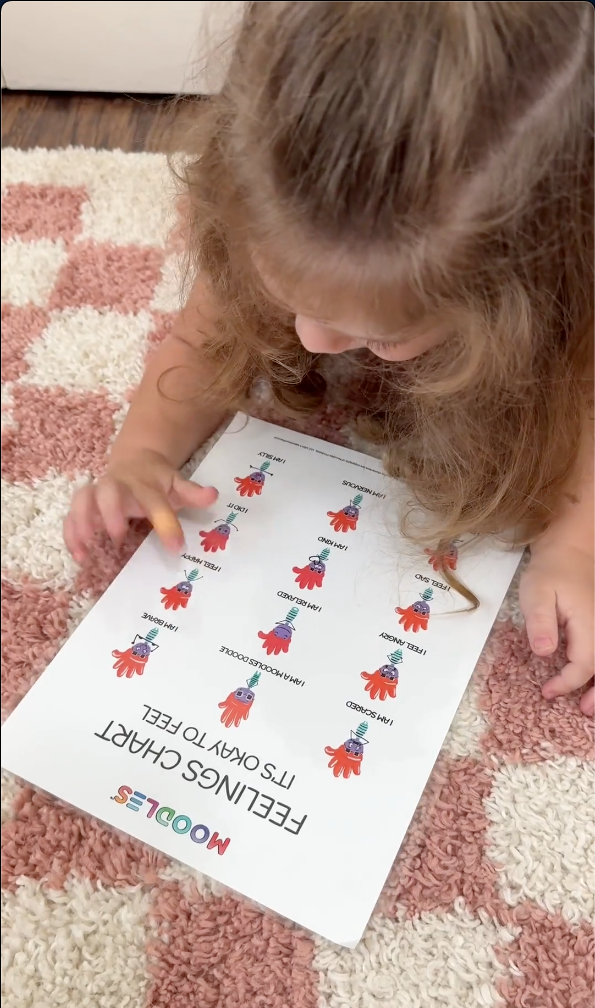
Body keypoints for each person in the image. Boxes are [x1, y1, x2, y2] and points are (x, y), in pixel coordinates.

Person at [64, 1, 594, 714]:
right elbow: (202, 340)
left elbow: (580, 398)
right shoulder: (276, 205)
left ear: (519, 296)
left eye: (378, 334)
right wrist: (140, 454)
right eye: (291, 298)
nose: (312, 342)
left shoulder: (562, 287)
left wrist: (574, 547)